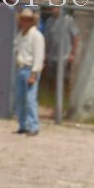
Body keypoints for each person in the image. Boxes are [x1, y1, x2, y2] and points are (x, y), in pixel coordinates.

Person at [14, 8, 45, 136]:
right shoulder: (20, 35)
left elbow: (39, 56)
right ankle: (23, 125)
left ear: (32, 21)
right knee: (20, 99)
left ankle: (33, 126)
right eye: (23, 19)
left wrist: (34, 73)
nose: (24, 22)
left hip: (30, 69)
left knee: (30, 99)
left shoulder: (37, 36)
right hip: (21, 68)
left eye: (27, 20)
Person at [43, 7, 80, 93]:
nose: (53, 9)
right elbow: (46, 38)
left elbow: (76, 37)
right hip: (52, 56)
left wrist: (73, 54)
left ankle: (64, 100)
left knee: (65, 80)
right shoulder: (49, 21)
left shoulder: (68, 20)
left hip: (65, 56)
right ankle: (51, 99)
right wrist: (45, 53)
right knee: (51, 79)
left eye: (55, 7)